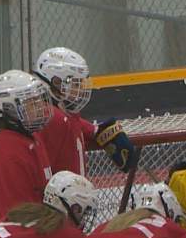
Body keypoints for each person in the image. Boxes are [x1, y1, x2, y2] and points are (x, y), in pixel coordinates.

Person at [33, 46, 134, 177]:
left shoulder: (62, 113)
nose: (81, 89)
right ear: (56, 82)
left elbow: (71, 121)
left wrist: (95, 131)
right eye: (75, 84)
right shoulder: (48, 119)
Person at [0, 70, 54, 226]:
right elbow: (21, 220)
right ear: (9, 108)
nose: (40, 107)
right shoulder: (8, 154)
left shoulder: (30, 137)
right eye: (31, 103)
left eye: (39, 100)